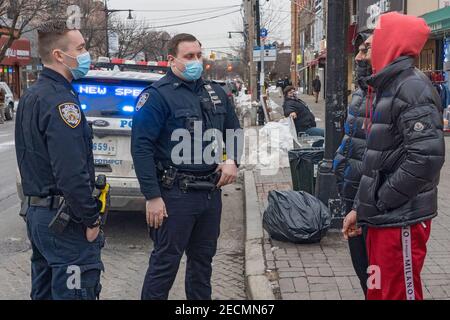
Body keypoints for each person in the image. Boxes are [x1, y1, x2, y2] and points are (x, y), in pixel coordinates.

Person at [131, 33, 242, 300]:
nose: (196, 61)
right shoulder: (157, 96)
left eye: (198, 55)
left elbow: (234, 131)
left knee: (202, 265)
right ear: (172, 60)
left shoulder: (216, 92)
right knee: (164, 265)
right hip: (174, 195)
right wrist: (153, 196)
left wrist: (232, 160)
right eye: (188, 56)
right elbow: (141, 148)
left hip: (210, 192)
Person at [343, 12, 445, 300]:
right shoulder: (386, 87)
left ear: (393, 40)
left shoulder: (411, 86)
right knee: (378, 293)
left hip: (400, 221)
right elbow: (376, 160)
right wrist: (360, 209)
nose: (370, 40)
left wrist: (380, 199)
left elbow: (426, 158)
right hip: (382, 218)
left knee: (396, 294)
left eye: (377, 31)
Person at [15, 20, 104, 300]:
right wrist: (91, 219)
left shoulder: (32, 95)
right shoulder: (61, 102)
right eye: (81, 48)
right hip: (64, 223)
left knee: (44, 292)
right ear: (59, 55)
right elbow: (70, 172)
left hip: (39, 215)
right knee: (76, 292)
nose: (86, 53)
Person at [333, 32, 373, 297]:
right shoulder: (360, 93)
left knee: (378, 279)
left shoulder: (393, 93)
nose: (358, 57)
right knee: (365, 276)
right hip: (353, 197)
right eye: (358, 51)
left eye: (365, 50)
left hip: (372, 207)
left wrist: (363, 204)